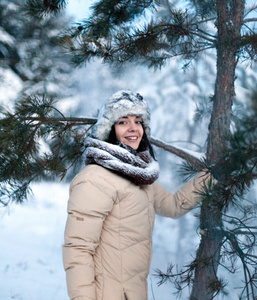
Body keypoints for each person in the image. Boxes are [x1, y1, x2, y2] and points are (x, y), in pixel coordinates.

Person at [63, 90, 214, 300]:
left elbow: (174, 205)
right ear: (109, 129)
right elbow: (78, 250)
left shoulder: (139, 177)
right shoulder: (95, 179)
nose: (133, 128)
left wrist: (212, 176)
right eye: (123, 122)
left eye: (138, 121)